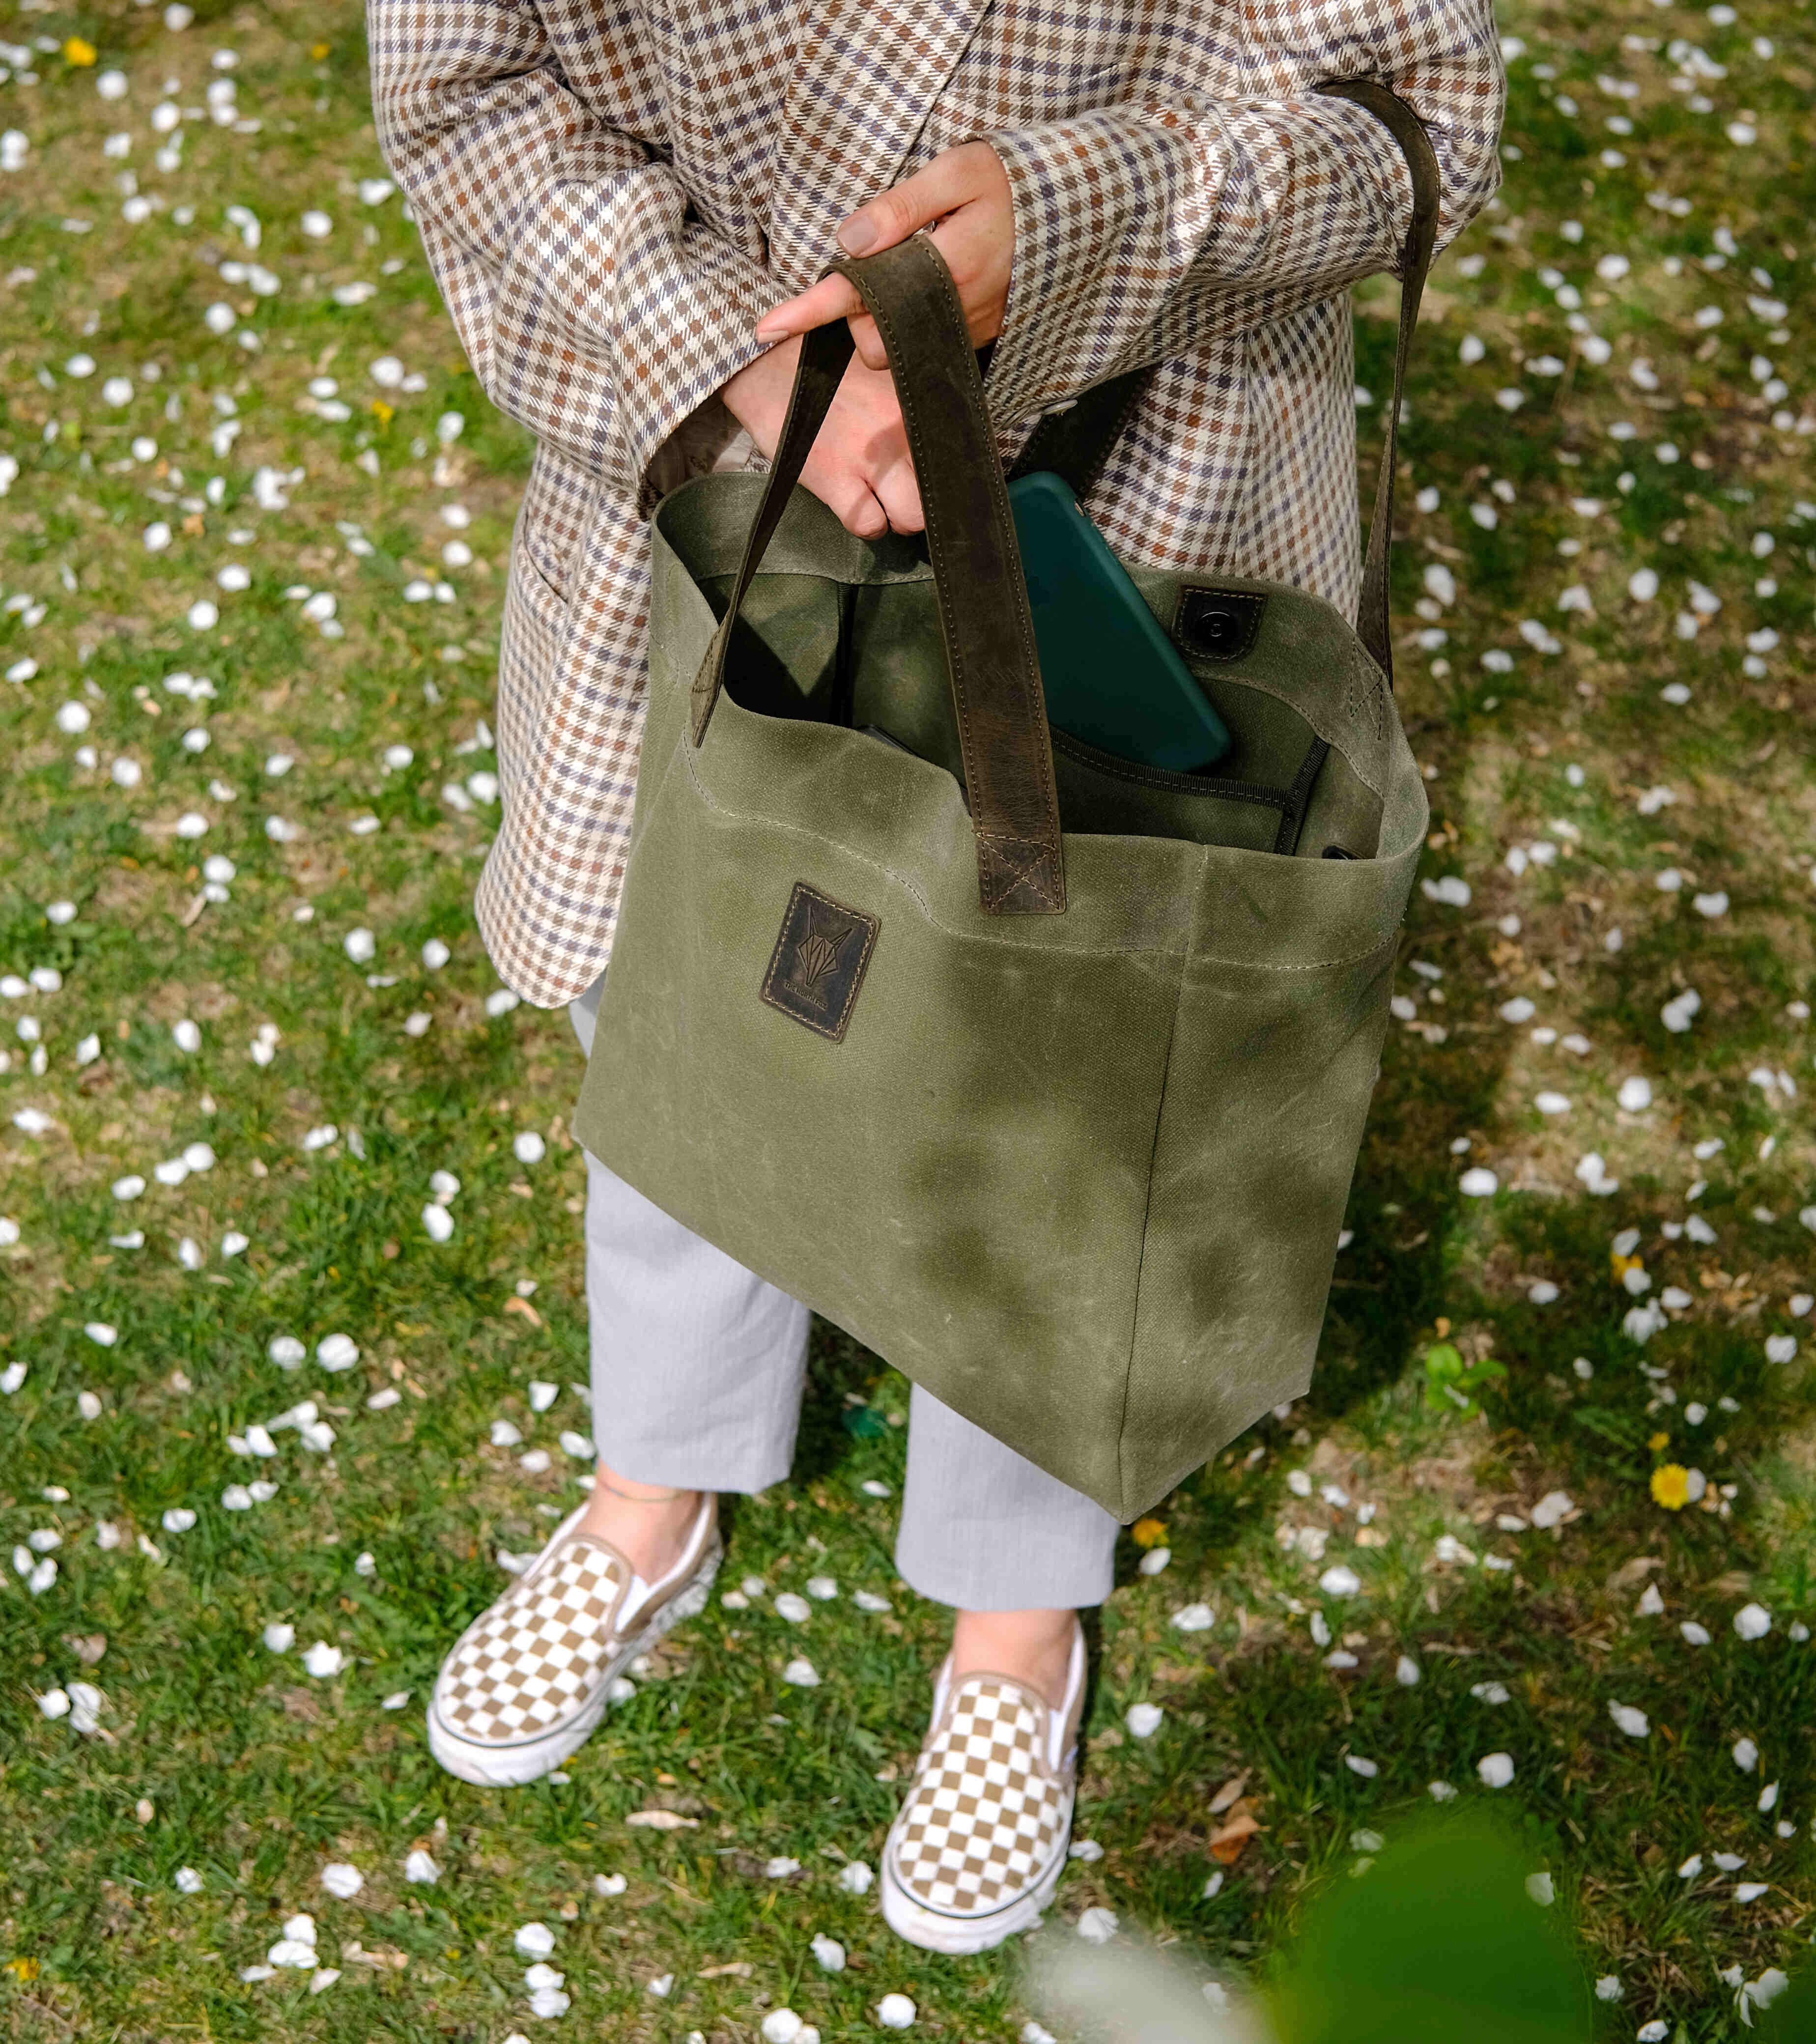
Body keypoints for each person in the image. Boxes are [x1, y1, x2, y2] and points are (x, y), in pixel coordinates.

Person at [368, 0, 1504, 1954]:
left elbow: (1416, 111)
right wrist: (735, 348)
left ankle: (1010, 1616)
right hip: (715, 492)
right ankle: (653, 1485)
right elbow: (462, 81)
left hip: (1150, 512)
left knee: (1071, 1092)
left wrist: (1072, 216)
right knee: (683, 1009)